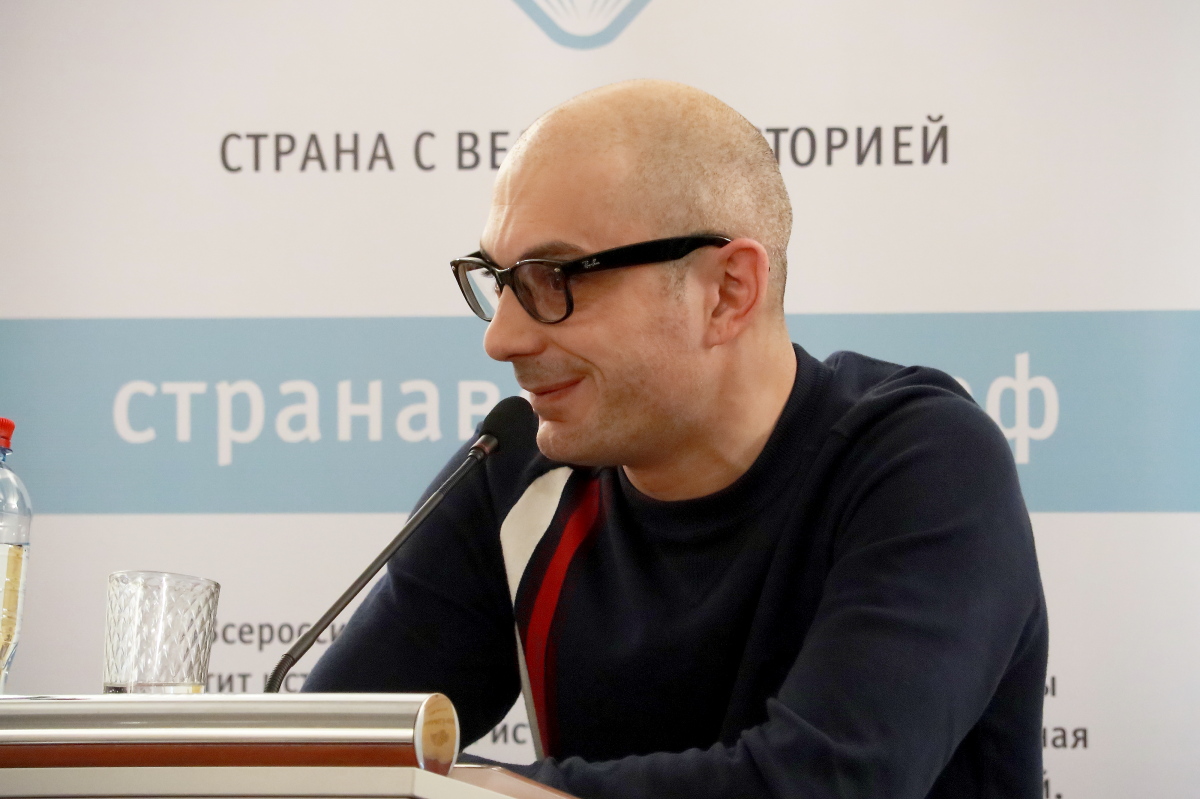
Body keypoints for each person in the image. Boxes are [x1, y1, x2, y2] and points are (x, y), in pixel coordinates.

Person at [305, 80, 1048, 799]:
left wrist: (446, 786)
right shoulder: (515, 469)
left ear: (727, 292)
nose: (501, 339)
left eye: (554, 278)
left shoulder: (923, 462)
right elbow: (322, 758)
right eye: (497, 279)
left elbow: (820, 784)